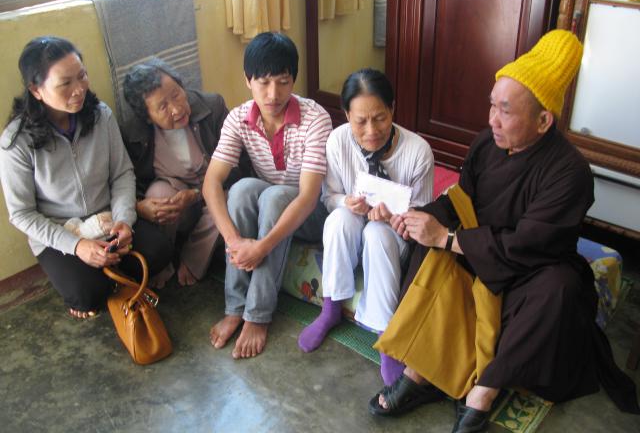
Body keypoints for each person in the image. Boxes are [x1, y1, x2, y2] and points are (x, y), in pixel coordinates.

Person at [368, 30, 640, 431]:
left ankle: (484, 390)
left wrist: (449, 238)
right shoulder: (486, 143)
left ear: (543, 121)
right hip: (479, 249)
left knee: (560, 290)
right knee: (427, 242)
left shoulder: (570, 173)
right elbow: (462, 200)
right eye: (492, 105)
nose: (491, 120)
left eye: (506, 111)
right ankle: (421, 371)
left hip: (531, 270)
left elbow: (529, 244)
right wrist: (419, 217)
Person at [0, 36, 172, 319]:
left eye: (82, 76)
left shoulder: (101, 116)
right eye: (65, 83)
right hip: (63, 231)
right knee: (87, 296)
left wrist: (124, 221)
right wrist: (77, 246)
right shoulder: (16, 142)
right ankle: (100, 278)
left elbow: (121, 173)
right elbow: (22, 214)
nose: (79, 89)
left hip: (106, 218)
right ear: (36, 90)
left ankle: (110, 271)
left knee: (160, 252)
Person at [297, 68, 434, 385]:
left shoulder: (418, 152)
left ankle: (386, 334)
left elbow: (424, 218)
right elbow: (329, 197)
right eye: (360, 121)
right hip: (351, 231)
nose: (371, 131)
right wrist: (347, 202)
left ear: (393, 109)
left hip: (393, 239)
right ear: (347, 115)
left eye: (380, 118)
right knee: (340, 218)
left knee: (376, 233)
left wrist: (394, 218)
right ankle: (331, 308)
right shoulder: (337, 141)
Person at [203, 32, 332, 359]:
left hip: (314, 213)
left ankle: (257, 315)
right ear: (248, 80)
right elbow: (211, 183)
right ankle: (235, 307)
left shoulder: (316, 118)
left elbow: (308, 197)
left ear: (294, 81)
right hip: (270, 207)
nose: (273, 94)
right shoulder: (238, 118)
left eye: (283, 82)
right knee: (241, 189)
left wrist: (261, 247)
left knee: (274, 197)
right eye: (263, 82)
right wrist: (234, 242)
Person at [121, 60, 252, 288]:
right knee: (158, 193)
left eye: (176, 94)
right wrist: (140, 206)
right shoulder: (134, 134)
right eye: (163, 107)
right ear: (147, 117)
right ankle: (165, 260)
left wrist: (196, 194)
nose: (177, 108)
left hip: (217, 191)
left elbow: (240, 167)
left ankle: (192, 260)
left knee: (230, 198)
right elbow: (129, 182)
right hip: (177, 206)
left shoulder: (212, 107)